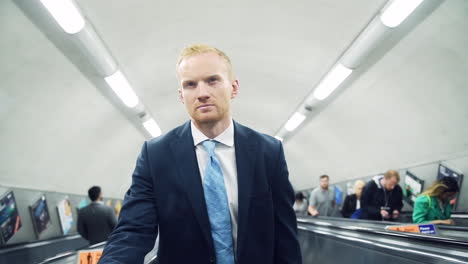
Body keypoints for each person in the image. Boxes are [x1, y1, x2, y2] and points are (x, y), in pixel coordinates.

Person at [99, 45, 302, 264]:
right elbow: (133, 230)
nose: (202, 93)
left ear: (233, 88)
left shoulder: (268, 152)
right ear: (181, 95)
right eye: (190, 85)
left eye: (212, 80)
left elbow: (285, 236)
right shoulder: (156, 155)